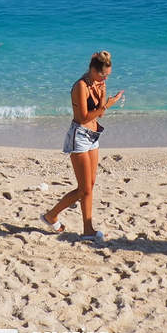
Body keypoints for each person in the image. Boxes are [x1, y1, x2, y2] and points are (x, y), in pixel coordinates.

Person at [41, 51, 124, 242]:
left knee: (90, 186)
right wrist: (108, 105)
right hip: (79, 136)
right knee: (84, 189)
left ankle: (88, 229)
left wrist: (103, 94)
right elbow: (83, 117)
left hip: (94, 136)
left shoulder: (99, 84)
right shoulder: (81, 86)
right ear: (93, 70)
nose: (106, 78)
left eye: (108, 75)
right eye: (103, 75)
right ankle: (51, 216)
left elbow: (99, 115)